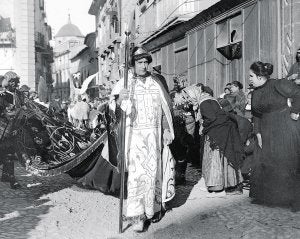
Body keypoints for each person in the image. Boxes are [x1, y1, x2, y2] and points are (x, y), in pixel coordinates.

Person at [110, 46, 175, 232]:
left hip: (154, 137)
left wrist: (165, 130)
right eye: (140, 62)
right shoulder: (124, 83)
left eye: (146, 62)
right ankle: (137, 216)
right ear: (133, 64)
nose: (144, 66)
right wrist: (118, 100)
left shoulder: (156, 82)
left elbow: (165, 109)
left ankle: (152, 210)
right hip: (135, 138)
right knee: (138, 177)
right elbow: (111, 111)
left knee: (154, 173)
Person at [249, 61, 300, 211]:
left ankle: (293, 199)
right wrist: (257, 133)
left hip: (284, 127)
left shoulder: (278, 84)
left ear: (260, 76)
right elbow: (256, 114)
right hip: (265, 129)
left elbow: (298, 93)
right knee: (267, 162)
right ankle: (272, 198)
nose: (249, 79)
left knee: (286, 162)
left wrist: (295, 111)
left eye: (251, 76)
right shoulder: (255, 92)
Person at [195, 85, 244, 196]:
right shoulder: (212, 100)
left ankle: (219, 185)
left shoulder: (203, 102)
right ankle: (230, 185)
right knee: (227, 157)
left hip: (218, 132)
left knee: (221, 157)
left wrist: (203, 125)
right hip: (223, 129)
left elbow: (211, 118)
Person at [0, 71, 23, 189]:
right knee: (5, 154)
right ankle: (9, 177)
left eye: (16, 81)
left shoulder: (18, 94)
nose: (15, 83)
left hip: (12, 129)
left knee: (8, 154)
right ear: (8, 82)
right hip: (2, 128)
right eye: (12, 81)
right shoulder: (3, 95)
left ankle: (10, 178)